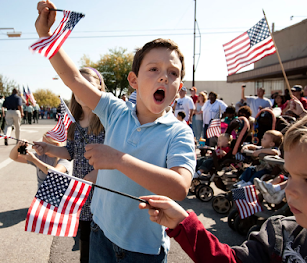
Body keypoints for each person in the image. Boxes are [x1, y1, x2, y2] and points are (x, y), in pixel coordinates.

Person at [34, 3, 195, 261]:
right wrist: (46, 36)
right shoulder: (115, 111)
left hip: (141, 249)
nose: (163, 77)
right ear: (134, 80)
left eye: (172, 73)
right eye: (153, 69)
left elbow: (178, 188)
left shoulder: (179, 133)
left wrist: (118, 160)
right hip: (101, 232)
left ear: (179, 87)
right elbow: (74, 78)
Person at [139, 115, 307, 263]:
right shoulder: (280, 235)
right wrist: (181, 222)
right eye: (289, 175)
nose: (290, 189)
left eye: (305, 179)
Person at [34, 67, 106, 263]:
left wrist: (97, 173)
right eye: (77, 85)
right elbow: (70, 152)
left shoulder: (109, 120)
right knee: (85, 248)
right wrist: (47, 148)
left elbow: (119, 155)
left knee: (103, 249)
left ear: (100, 86)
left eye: (88, 84)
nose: (82, 90)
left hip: (105, 196)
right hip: (83, 197)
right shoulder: (74, 122)